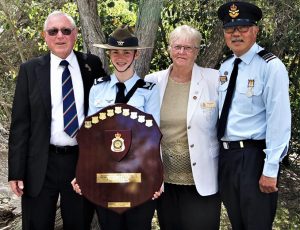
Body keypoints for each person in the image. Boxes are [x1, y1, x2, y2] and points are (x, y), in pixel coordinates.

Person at [8, 11, 106, 230]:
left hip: (80, 162)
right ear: (45, 36)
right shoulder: (30, 70)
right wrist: (15, 172)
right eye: (53, 31)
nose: (60, 36)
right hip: (40, 163)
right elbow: (20, 125)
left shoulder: (91, 65)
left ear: (75, 34)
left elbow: (102, 117)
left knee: (79, 224)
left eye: (66, 30)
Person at [72, 25, 161, 230]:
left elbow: (153, 138)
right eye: (115, 52)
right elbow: (90, 137)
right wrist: (83, 172)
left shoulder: (149, 91)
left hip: (140, 175)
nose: (120, 57)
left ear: (136, 55)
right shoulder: (98, 87)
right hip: (106, 175)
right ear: (109, 54)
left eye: (126, 52)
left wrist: (158, 177)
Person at [217, 2, 291, 229]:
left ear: (256, 30)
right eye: (230, 29)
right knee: (237, 223)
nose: (236, 34)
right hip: (227, 158)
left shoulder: (271, 66)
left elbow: (279, 120)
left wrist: (271, 169)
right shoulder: (225, 68)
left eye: (243, 27)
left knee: (257, 224)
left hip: (254, 158)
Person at [145, 25, 221, 230]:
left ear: (197, 51)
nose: (182, 52)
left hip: (202, 180)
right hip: (164, 180)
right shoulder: (152, 82)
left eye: (189, 47)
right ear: (169, 49)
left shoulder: (214, 80)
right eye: (177, 46)